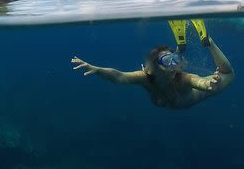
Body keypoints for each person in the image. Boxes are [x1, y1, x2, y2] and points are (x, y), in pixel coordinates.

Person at [71, 27, 234, 110]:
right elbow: (119, 76)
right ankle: (207, 47)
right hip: (171, 101)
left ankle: (210, 43)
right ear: (156, 65)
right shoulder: (145, 77)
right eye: (167, 60)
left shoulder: (183, 78)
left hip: (193, 97)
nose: (173, 65)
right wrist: (97, 69)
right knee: (223, 75)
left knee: (228, 75)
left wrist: (209, 84)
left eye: (175, 59)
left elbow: (198, 82)